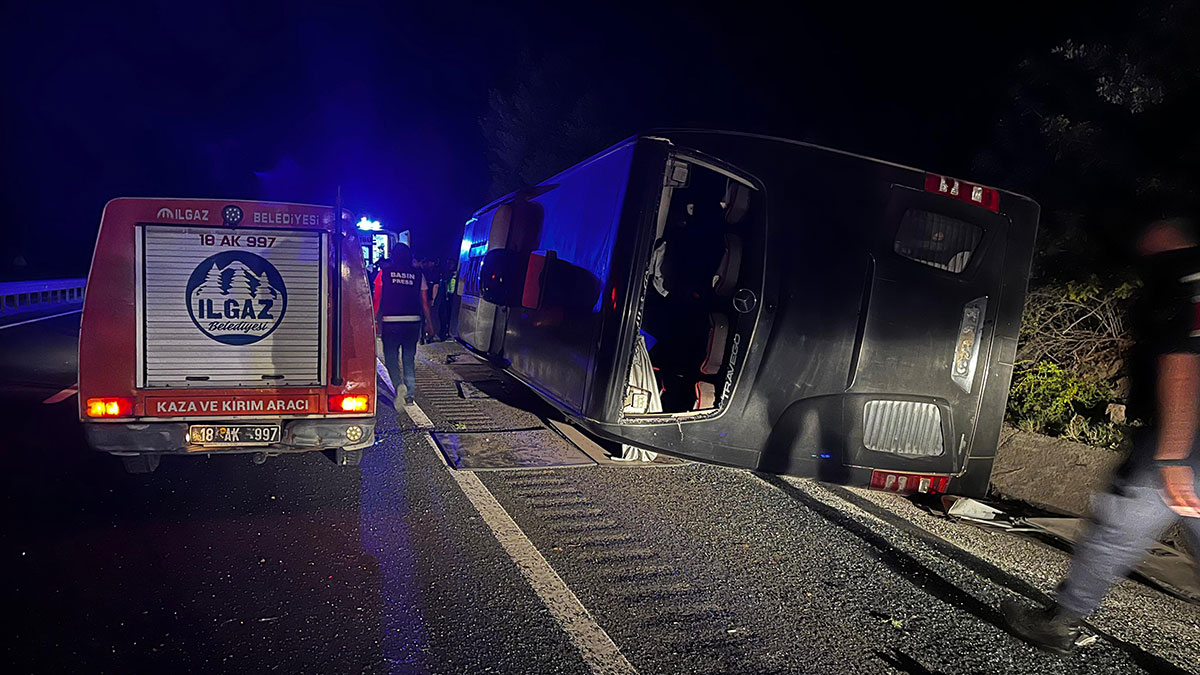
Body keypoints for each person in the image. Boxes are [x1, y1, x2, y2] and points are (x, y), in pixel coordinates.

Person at [1004, 218, 1200, 654]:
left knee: (1118, 523)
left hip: (1181, 437)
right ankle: (1062, 617)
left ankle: (1061, 621)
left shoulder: (1180, 276)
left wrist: (1171, 455)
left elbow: (1181, 360)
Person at [373, 243, 435, 407]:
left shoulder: (384, 273)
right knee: (408, 358)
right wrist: (429, 323)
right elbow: (424, 302)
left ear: (393, 256)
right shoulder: (418, 275)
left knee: (391, 357)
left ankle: (398, 385)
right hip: (412, 322)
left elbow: (377, 298)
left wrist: (374, 320)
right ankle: (410, 394)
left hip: (391, 322)